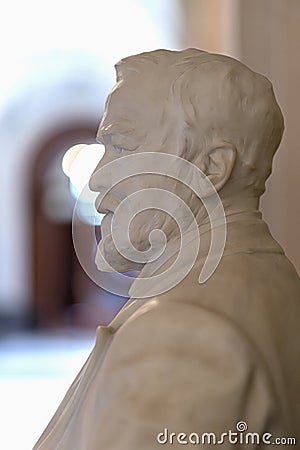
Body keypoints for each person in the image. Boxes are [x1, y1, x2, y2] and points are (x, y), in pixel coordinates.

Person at [34, 49, 300, 449]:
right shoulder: (273, 281)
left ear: (212, 167)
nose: (97, 179)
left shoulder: (181, 334)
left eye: (122, 147)